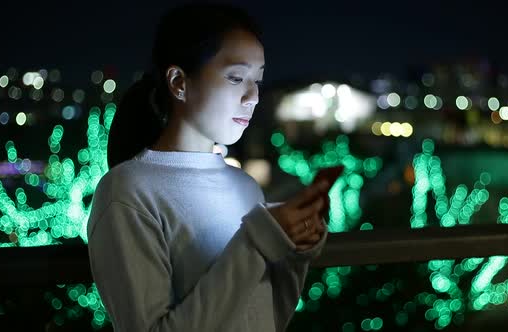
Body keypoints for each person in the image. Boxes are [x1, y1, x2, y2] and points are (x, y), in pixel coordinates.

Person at [86, 3, 330, 332]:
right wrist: (258, 240)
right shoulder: (127, 192)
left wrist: (293, 252)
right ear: (178, 82)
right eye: (235, 77)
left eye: (257, 80)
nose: (253, 96)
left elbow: (265, 319)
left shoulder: (244, 187)